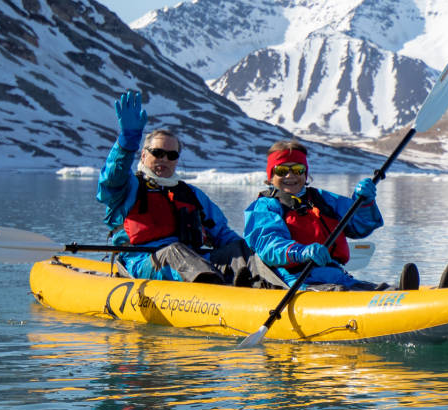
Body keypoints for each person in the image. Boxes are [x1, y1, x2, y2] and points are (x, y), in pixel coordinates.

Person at [97, 91, 277, 287]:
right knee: (175, 250)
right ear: (143, 156)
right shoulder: (128, 187)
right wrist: (127, 142)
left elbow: (222, 234)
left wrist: (247, 253)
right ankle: (216, 291)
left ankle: (265, 285)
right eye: (157, 153)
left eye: (171, 155)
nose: (164, 159)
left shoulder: (191, 194)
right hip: (142, 262)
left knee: (239, 247)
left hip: (193, 260)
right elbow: (111, 180)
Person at [243, 140, 420, 291]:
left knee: (367, 288)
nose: (290, 175)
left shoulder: (323, 199)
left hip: (336, 275)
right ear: (271, 176)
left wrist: (365, 203)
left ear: (305, 174)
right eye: (282, 171)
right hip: (295, 281)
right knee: (340, 291)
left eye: (297, 169)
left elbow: (361, 226)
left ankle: (401, 294)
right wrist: (301, 252)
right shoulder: (264, 207)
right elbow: (267, 244)